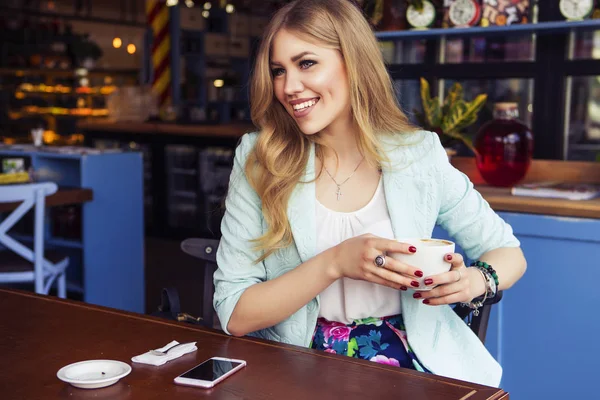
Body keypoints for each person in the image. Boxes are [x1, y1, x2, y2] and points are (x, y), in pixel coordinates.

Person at [213, 0, 527, 387]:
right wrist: (334, 263)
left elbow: (509, 253)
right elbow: (235, 315)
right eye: (279, 70)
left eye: (306, 63)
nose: (289, 87)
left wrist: (477, 281)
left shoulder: (418, 154)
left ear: (353, 61)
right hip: (294, 360)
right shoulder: (259, 157)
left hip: (410, 359)